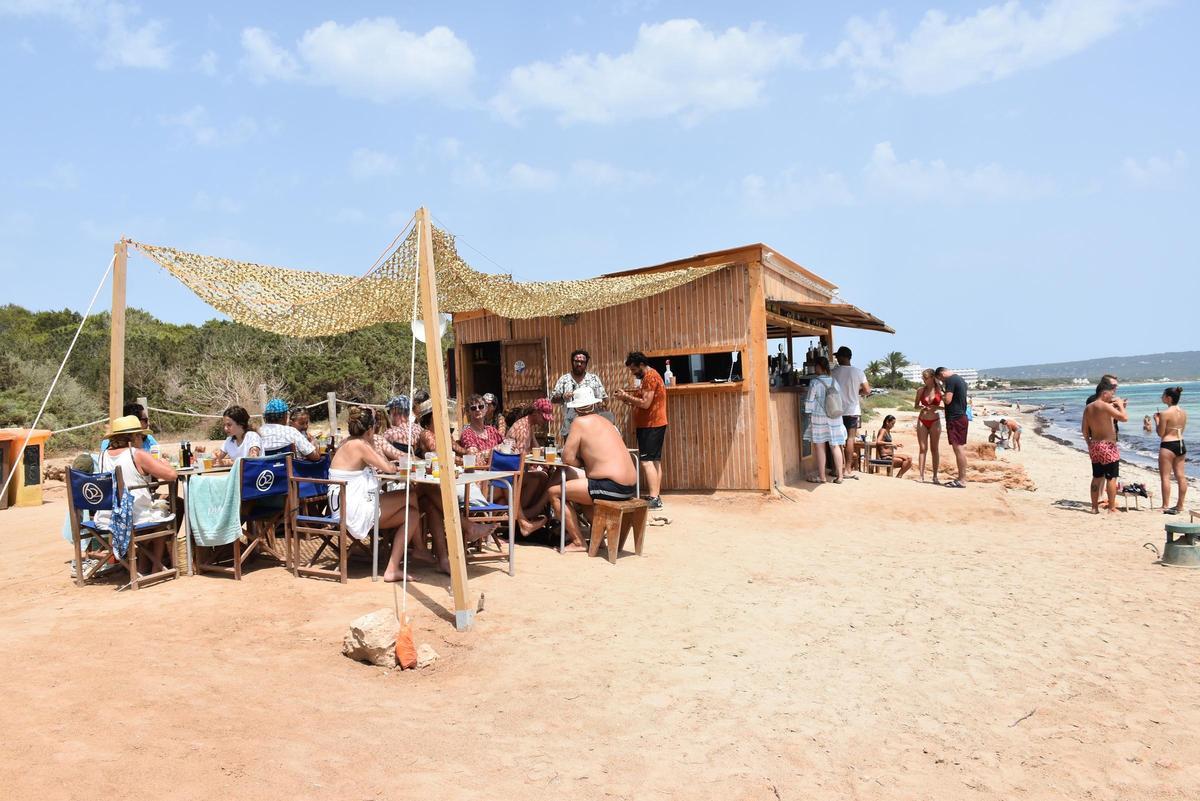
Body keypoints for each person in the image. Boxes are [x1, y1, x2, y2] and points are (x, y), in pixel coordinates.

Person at [328, 406, 423, 582]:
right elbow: (388, 468)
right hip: (354, 510)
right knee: (411, 496)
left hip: (343, 507)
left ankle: (393, 568)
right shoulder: (360, 445)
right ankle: (419, 549)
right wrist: (395, 465)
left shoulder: (347, 443)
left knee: (412, 514)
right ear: (370, 429)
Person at [548, 386, 638, 551]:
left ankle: (577, 541)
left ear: (575, 408)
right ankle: (599, 540)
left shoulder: (579, 422)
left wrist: (581, 462)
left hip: (611, 486)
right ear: (593, 404)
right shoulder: (606, 421)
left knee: (554, 492)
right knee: (584, 492)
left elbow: (567, 458)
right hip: (630, 487)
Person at [96, 414, 178, 575]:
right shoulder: (137, 454)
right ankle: (155, 567)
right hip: (132, 516)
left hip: (107, 517)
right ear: (134, 436)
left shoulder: (102, 455)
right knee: (167, 511)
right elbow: (171, 475)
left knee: (156, 508)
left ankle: (142, 563)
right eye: (140, 435)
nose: (142, 439)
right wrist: (165, 464)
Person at [613, 351, 667, 510]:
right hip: (654, 424)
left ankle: (654, 498)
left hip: (651, 425)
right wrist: (625, 398)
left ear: (641, 365)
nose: (633, 372)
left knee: (646, 461)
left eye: (633, 369)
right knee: (655, 461)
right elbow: (640, 402)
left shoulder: (650, 377)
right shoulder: (648, 377)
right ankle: (655, 495)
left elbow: (645, 403)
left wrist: (626, 397)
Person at [494, 398, 554, 533]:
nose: (545, 421)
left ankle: (524, 516)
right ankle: (521, 519)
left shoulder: (529, 426)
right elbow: (519, 459)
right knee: (539, 478)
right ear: (535, 412)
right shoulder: (522, 428)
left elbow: (535, 448)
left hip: (511, 471)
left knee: (542, 477)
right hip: (506, 473)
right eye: (543, 417)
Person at [1082, 377, 1129, 515]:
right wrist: (1120, 405)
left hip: (1095, 444)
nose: (1112, 396)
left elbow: (1084, 429)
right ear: (1104, 393)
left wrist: (1089, 443)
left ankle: (1094, 507)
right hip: (1108, 445)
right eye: (1111, 394)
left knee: (1096, 476)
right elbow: (1124, 418)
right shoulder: (1104, 405)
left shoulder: (1088, 407)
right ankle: (1111, 508)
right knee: (1111, 477)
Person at [802, 356, 846, 484]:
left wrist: (808, 413)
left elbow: (809, 401)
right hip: (834, 416)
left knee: (820, 446)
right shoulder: (834, 381)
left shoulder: (815, 382)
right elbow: (839, 399)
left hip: (819, 418)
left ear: (819, 367)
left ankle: (822, 477)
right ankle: (840, 476)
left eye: (815, 366)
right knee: (835, 445)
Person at [551, 348, 607, 442]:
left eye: (582, 362)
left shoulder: (594, 379)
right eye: (576, 361)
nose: (579, 364)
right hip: (570, 424)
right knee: (572, 453)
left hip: (591, 424)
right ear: (572, 362)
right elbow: (553, 399)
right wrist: (563, 397)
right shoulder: (564, 379)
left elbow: (603, 399)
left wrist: (602, 411)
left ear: (586, 363)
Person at [831, 346, 869, 478]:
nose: (836, 359)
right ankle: (847, 469)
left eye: (837, 357)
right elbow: (867, 390)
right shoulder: (858, 372)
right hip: (853, 410)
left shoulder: (834, 372)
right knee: (850, 439)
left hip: (837, 410)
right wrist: (856, 392)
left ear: (842, 357)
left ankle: (838, 468)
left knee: (837, 440)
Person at [1155, 386, 1188, 515]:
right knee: (1181, 476)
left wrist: (1157, 421)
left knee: (1165, 477)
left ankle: (1165, 505)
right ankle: (1180, 505)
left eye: (1163, 396)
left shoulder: (1165, 413)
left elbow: (1161, 433)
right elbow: (1181, 429)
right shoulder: (1184, 412)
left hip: (1168, 444)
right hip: (1180, 443)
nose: (1161, 397)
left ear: (1168, 398)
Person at [936, 367, 969, 488]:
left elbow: (948, 400)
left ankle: (962, 480)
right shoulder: (960, 379)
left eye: (940, 379)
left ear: (941, 374)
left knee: (958, 448)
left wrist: (940, 393)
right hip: (961, 417)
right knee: (959, 448)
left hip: (955, 418)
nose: (942, 382)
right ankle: (961, 478)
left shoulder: (950, 380)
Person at [457, 393, 503, 466]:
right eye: (473, 408)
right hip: (482, 473)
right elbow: (473, 457)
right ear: (468, 412)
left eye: (481, 406)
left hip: (498, 469)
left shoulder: (492, 430)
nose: (478, 410)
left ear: (486, 408)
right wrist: (495, 450)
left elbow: (505, 445)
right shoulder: (468, 433)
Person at [913, 369, 942, 483]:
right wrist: (921, 407)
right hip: (922, 420)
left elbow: (947, 406)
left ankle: (935, 476)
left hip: (935, 420)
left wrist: (937, 408)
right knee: (923, 448)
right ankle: (921, 475)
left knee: (934, 449)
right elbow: (915, 405)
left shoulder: (940, 390)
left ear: (932, 378)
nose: (923, 380)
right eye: (923, 377)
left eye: (925, 378)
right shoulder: (921, 390)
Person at [376, 395, 424, 462]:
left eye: (389, 411)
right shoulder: (419, 429)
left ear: (395, 411)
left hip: (400, 468)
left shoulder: (390, 434)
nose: (389, 415)